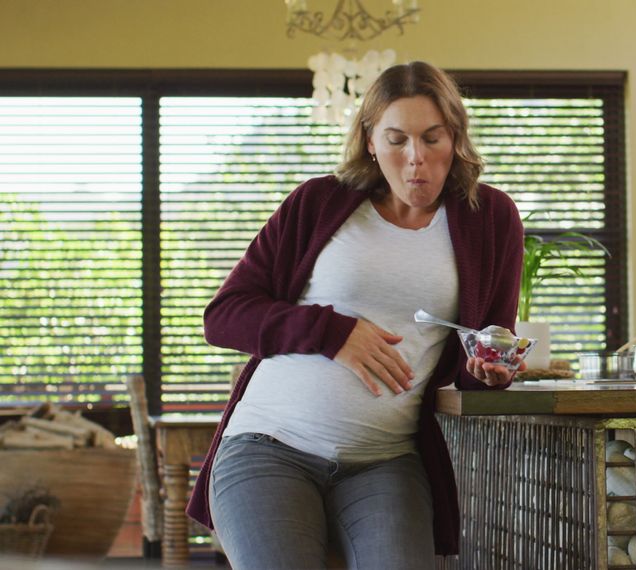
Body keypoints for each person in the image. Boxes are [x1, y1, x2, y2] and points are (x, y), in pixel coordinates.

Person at [185, 61, 525, 569]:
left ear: (455, 138)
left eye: (432, 138)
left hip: (385, 463)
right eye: (396, 140)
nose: (415, 158)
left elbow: (487, 345)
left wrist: (491, 370)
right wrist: (333, 332)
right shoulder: (317, 202)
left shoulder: (491, 219)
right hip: (267, 446)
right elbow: (224, 316)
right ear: (370, 141)